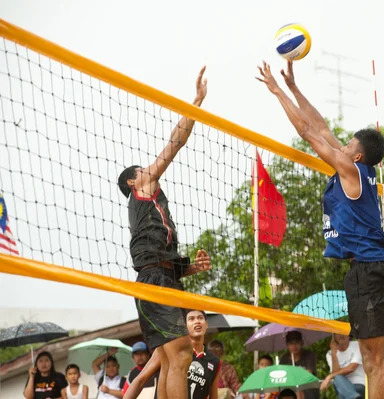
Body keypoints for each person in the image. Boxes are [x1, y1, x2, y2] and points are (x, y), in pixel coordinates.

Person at [256, 60, 384, 399]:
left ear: (358, 156)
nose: (340, 146)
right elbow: (319, 125)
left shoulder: (350, 170)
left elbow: (308, 133)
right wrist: (293, 86)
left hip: (371, 268)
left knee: (374, 360)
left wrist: (275, 91)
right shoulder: (355, 169)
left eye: (347, 145)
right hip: (368, 268)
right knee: (373, 358)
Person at [117, 67, 212, 399]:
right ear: (134, 181)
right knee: (182, 354)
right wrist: (196, 102)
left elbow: (156, 256)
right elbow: (174, 145)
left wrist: (189, 267)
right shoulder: (142, 188)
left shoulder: (150, 207)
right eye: (142, 169)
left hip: (166, 278)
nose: (149, 169)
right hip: (155, 282)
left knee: (174, 360)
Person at [122, 309, 221, 399]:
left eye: (200, 318)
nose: (197, 321)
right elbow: (140, 380)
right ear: (184, 326)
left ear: (206, 324)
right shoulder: (169, 348)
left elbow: (213, 396)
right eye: (191, 319)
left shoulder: (214, 361)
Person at [320, 335, 365, 399]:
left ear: (349, 335)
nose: (341, 335)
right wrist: (334, 353)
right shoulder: (329, 354)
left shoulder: (357, 345)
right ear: (334, 337)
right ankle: (354, 397)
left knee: (342, 394)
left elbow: (351, 368)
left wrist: (329, 377)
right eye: (338, 333)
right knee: (338, 378)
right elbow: (335, 374)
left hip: (359, 384)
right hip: (342, 387)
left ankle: (353, 397)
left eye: (344, 332)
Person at [279, 331, 318, 399]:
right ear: (287, 345)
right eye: (291, 343)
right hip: (290, 389)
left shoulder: (309, 355)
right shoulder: (284, 358)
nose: (294, 346)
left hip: (308, 389)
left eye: (297, 342)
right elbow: (281, 377)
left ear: (302, 343)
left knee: (300, 389)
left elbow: (309, 374)